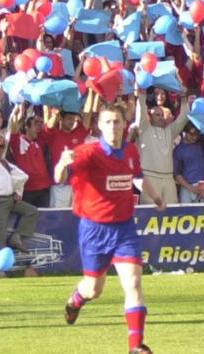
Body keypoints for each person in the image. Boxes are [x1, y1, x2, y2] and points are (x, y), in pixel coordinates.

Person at [57, 104, 166, 354]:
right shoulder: (88, 152)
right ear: (99, 125)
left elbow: (137, 176)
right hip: (94, 230)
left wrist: (155, 197)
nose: (113, 127)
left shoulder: (129, 150)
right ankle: (76, 300)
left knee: (134, 283)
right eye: (108, 122)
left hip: (124, 228)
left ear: (124, 124)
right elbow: (60, 177)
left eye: (117, 121)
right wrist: (62, 164)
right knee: (94, 289)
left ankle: (135, 346)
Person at [0, 125, 39, 267]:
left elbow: (23, 177)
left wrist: (17, 192)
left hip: (9, 199)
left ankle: (16, 237)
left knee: (32, 211)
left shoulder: (6, 163)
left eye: (1, 147)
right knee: (1, 233)